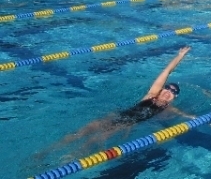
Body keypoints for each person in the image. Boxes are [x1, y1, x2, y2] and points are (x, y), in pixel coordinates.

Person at [50, 47, 192, 154]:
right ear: (161, 89)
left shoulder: (169, 109)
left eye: (173, 92)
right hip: (119, 115)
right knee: (82, 131)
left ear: (175, 97)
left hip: (127, 125)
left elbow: (189, 117)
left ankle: (72, 156)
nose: (169, 92)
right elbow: (166, 72)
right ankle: (48, 150)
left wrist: (201, 120)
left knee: (97, 139)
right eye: (167, 88)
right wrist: (179, 56)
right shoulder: (151, 95)